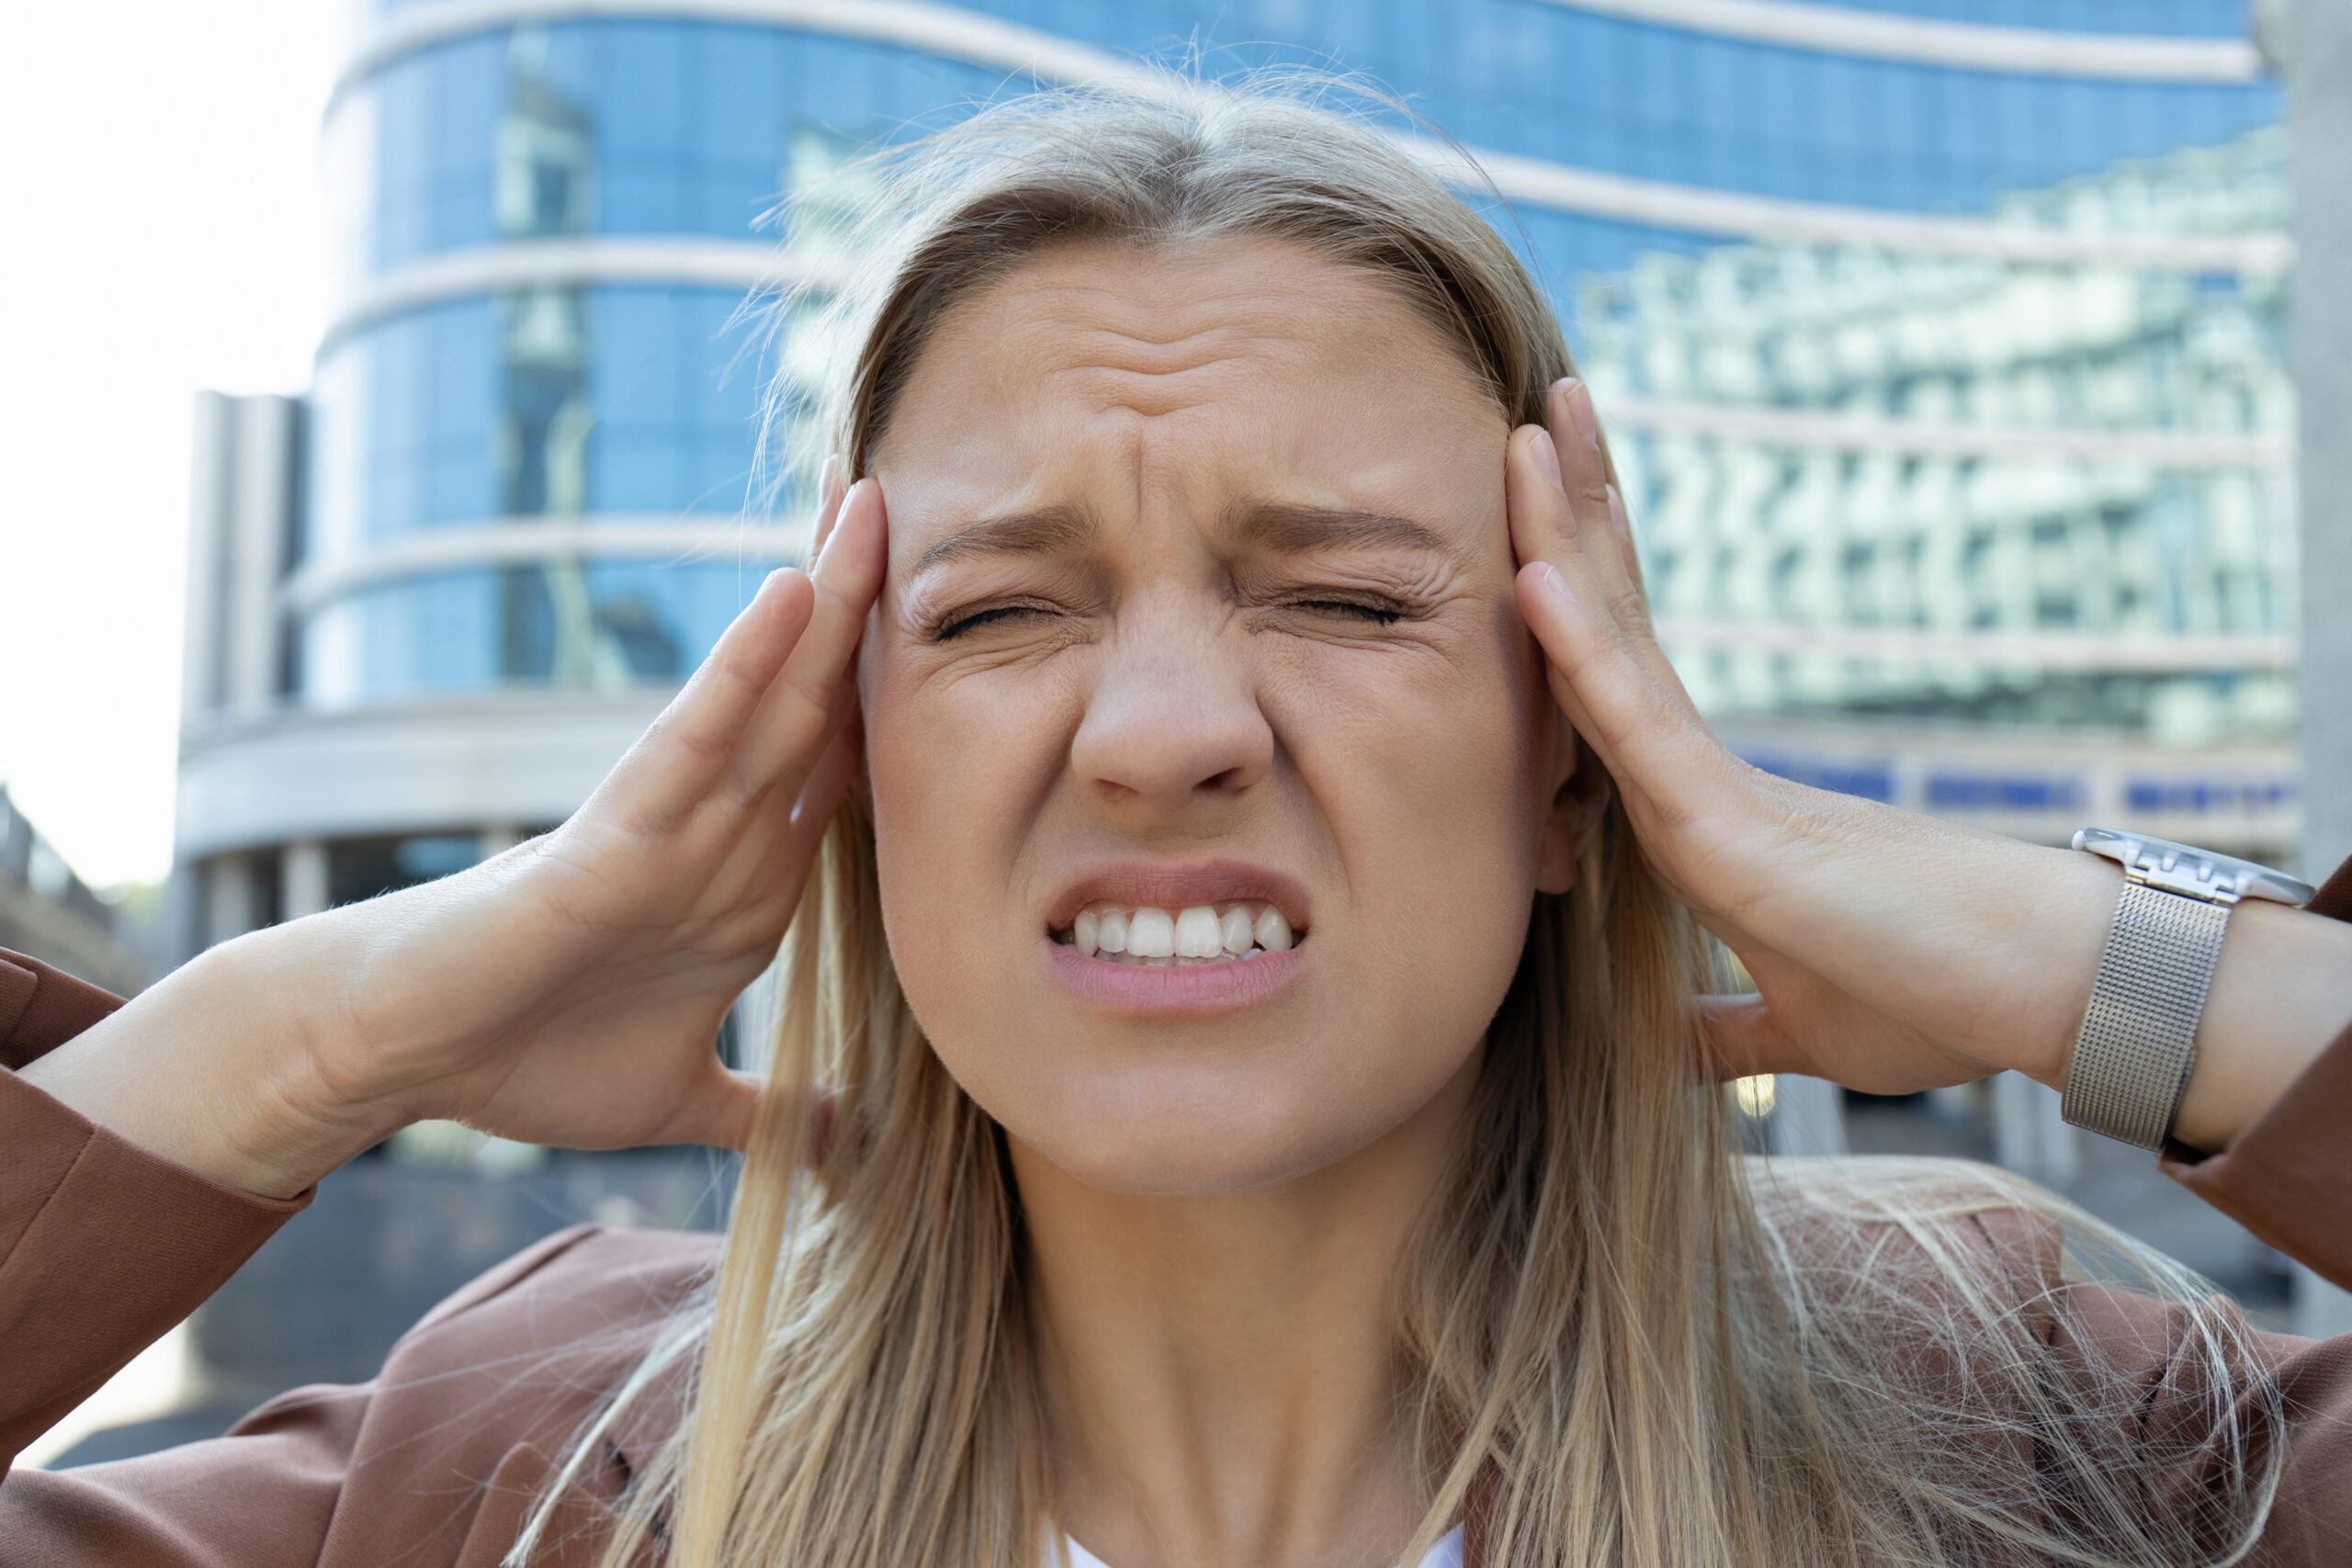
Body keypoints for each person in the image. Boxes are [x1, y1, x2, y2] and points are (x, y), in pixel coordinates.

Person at [5, 79, 2351, 1568]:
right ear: (841, 750)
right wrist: (295, 1038)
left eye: (1336, 592)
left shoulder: (2043, 1435)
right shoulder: (507, 1476)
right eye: (1001, 608)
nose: (1153, 732)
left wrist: (2126, 969)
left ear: (1575, 757)